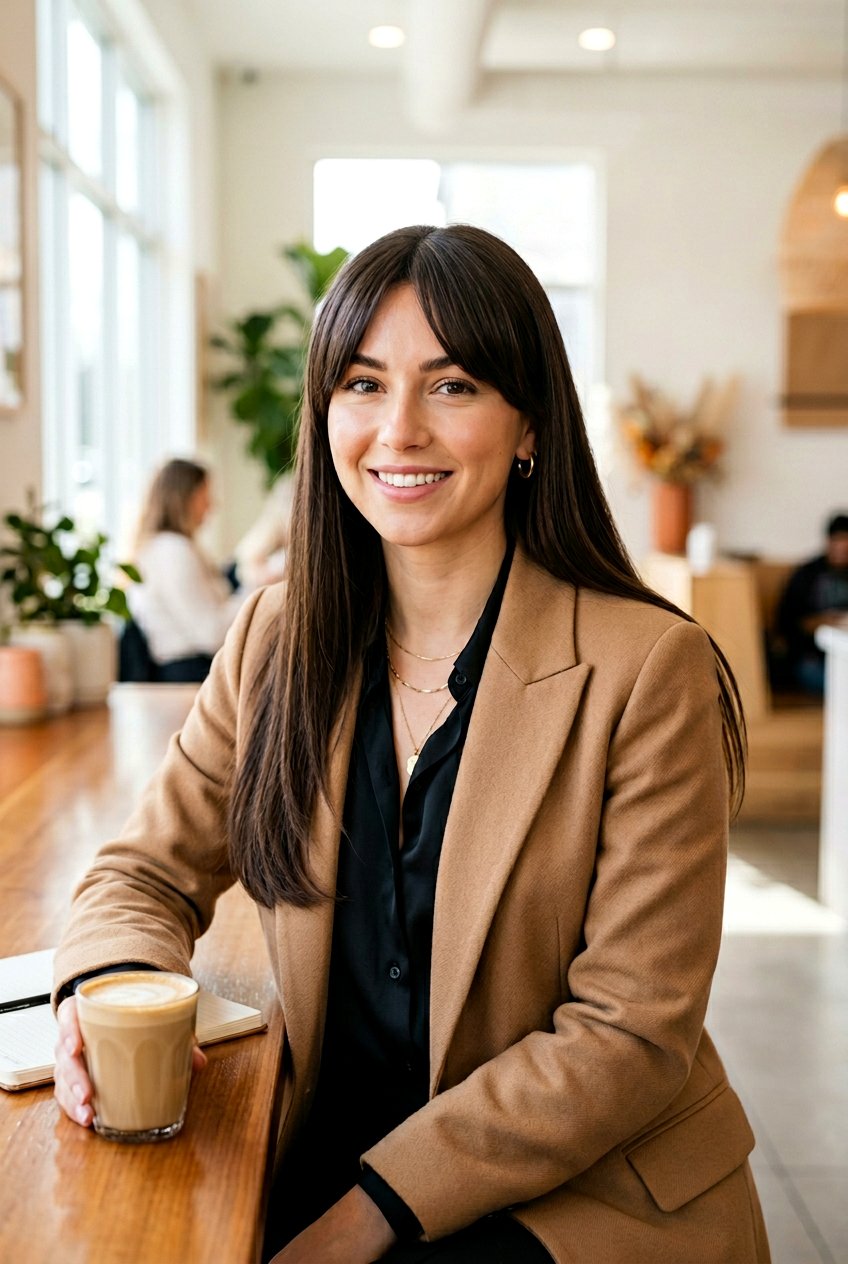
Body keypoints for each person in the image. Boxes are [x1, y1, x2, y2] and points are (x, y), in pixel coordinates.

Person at [52, 225, 769, 1264]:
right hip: (325, 1149)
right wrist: (102, 989)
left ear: (528, 425)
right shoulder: (274, 637)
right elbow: (139, 873)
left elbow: (628, 1034)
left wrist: (362, 1218)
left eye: (452, 386)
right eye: (361, 382)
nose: (396, 430)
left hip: (572, 1189)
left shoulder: (647, 668)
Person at [125, 457, 248, 683]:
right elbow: (211, 633)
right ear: (185, 498)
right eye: (204, 495)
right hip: (189, 675)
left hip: (188, 670)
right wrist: (254, 593)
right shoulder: (172, 551)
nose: (212, 505)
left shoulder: (167, 548)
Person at [776, 511, 848, 695]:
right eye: (839, 541)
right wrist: (823, 621)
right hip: (812, 656)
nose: (843, 548)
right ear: (828, 542)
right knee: (832, 680)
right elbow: (787, 623)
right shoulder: (806, 575)